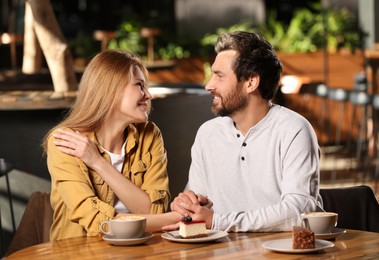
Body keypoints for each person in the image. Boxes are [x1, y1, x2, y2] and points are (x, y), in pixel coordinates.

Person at [167, 31, 322, 232]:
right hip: (221, 251)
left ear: (250, 82)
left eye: (219, 76)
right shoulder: (207, 133)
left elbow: (299, 211)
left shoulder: (294, 130)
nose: (208, 85)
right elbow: (197, 204)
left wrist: (217, 222)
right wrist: (186, 204)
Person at [43, 50, 180, 241]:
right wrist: (172, 219)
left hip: (142, 252)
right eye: (139, 85)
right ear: (111, 90)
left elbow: (152, 210)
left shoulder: (150, 134)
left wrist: (98, 163)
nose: (148, 95)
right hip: (81, 254)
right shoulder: (65, 142)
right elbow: (97, 221)